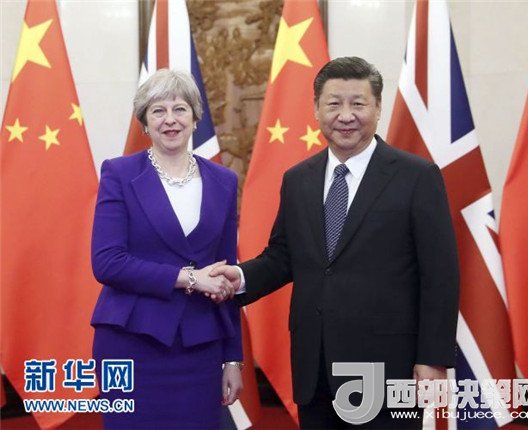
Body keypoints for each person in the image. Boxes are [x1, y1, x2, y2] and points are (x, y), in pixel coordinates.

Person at [211, 57, 460, 429]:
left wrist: (433, 358)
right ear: (316, 109)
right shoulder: (298, 179)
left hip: (388, 366)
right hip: (316, 367)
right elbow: (284, 256)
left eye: (358, 103)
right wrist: (240, 278)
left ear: (378, 107)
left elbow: (440, 275)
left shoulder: (416, 176)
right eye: (333, 104)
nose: (346, 115)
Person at [90, 68, 243, 429]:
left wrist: (233, 359)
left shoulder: (223, 181)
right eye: (158, 111)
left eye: (179, 109)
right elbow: (107, 262)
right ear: (145, 122)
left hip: (200, 346)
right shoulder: (120, 174)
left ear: (195, 117)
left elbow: (227, 277)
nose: (170, 120)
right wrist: (189, 278)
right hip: (131, 341)